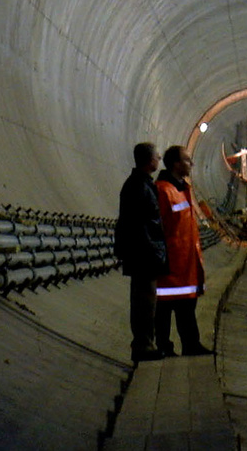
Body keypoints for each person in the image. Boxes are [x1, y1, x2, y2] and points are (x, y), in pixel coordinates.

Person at [154, 145, 212, 356]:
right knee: (164, 309)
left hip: (185, 264)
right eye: (187, 160)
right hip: (170, 264)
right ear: (176, 164)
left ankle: (191, 345)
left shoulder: (181, 189)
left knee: (187, 307)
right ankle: (163, 347)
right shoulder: (163, 190)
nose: (191, 164)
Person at [115, 142, 167, 362]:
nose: (159, 159)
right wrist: (153, 251)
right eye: (157, 156)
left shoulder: (140, 184)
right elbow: (139, 224)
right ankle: (143, 346)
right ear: (150, 160)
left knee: (145, 301)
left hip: (143, 252)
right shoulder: (139, 186)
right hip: (143, 254)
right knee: (144, 302)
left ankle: (146, 344)